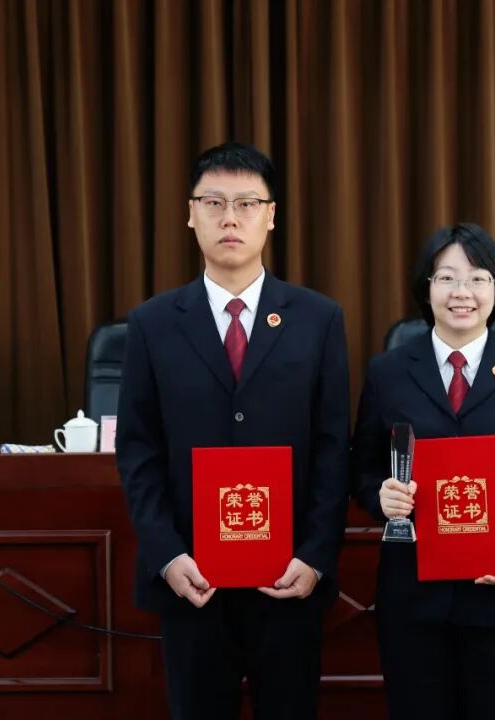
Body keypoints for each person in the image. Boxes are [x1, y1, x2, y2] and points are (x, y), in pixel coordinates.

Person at [116, 141, 351, 720]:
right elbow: (138, 450)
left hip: (288, 577)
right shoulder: (152, 324)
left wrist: (315, 555)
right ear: (190, 213)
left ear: (271, 216)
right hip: (193, 578)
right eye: (214, 202)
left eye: (247, 204)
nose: (229, 218)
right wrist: (167, 555)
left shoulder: (318, 319)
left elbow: (332, 447)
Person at [351, 222, 495, 719]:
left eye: (477, 278)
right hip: (412, 596)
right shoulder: (388, 372)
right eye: (447, 278)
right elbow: (361, 467)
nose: (462, 292)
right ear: (426, 289)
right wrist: (379, 497)